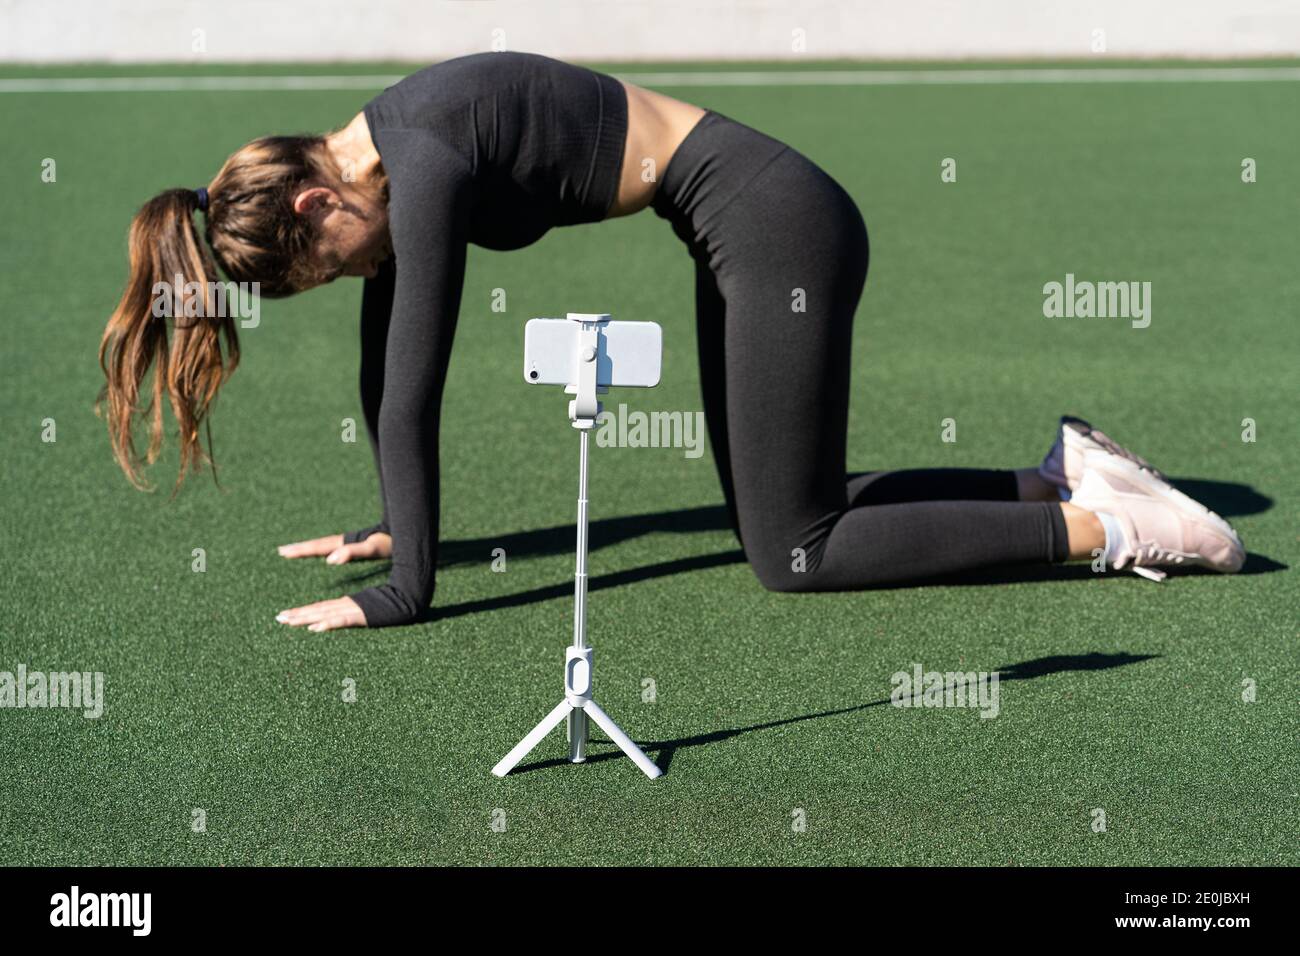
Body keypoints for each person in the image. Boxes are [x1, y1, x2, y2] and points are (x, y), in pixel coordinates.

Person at [98, 52, 1244, 631]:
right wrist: (392, 522)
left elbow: (415, 384)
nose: (354, 272)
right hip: (741, 224)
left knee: (793, 552)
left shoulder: (427, 162)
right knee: (784, 506)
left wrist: (408, 588)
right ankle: (1061, 470)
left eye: (330, 261)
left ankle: (1117, 527)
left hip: (776, 222)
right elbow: (386, 341)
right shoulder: (387, 156)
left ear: (312, 205)